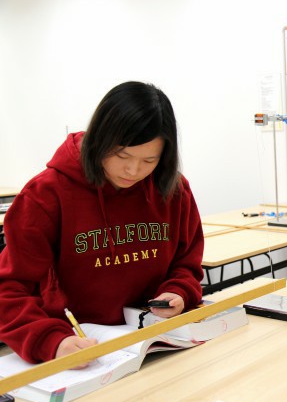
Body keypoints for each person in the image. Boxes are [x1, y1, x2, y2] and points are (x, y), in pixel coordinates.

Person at [0, 81, 204, 365]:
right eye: (122, 155)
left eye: (149, 160)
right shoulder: (46, 195)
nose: (133, 170)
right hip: (80, 350)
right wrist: (51, 341)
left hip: (157, 343)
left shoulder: (173, 190)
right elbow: (9, 289)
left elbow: (186, 263)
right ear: (100, 140)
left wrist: (178, 291)